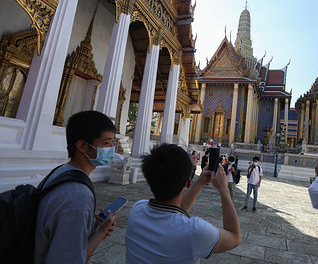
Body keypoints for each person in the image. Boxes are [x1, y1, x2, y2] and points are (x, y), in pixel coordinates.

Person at [125, 144, 241, 263]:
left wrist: (200, 182)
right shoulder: (195, 231)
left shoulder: (137, 210)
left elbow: (175, 212)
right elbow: (234, 236)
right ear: (188, 183)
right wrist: (224, 190)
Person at [35, 111, 119, 263]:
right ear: (82, 146)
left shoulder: (59, 172)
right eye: (106, 143)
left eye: (113, 142)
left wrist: (91, 228)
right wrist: (100, 232)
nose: (112, 148)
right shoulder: (78, 196)